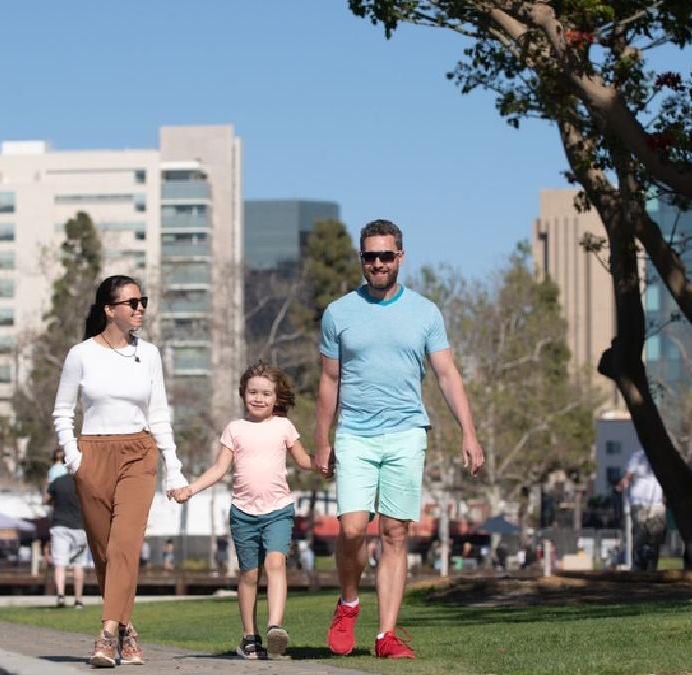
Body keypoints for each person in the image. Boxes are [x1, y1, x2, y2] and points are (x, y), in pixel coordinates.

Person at [313, 219, 484, 660]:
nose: (378, 263)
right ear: (361, 260)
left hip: (407, 432)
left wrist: (469, 431)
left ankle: (385, 635)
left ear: (400, 258)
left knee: (394, 532)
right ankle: (349, 602)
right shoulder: (339, 312)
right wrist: (321, 440)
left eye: (386, 256)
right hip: (355, 433)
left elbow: (446, 373)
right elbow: (329, 381)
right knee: (351, 528)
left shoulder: (425, 312)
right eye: (370, 256)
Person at [53, 274, 190, 667]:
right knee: (103, 553)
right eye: (131, 302)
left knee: (124, 544)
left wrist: (173, 469)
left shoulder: (149, 354)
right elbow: (63, 411)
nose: (140, 308)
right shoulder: (80, 354)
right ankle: (128, 629)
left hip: (137, 452)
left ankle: (107, 633)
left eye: (141, 300)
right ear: (108, 310)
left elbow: (159, 414)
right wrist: (75, 457)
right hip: (92, 454)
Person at [169, 361, 313, 660]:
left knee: (276, 564)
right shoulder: (235, 429)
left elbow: (303, 461)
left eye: (266, 393)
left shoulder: (284, 426)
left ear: (277, 398)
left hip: (278, 510)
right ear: (243, 394)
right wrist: (189, 489)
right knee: (249, 575)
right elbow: (219, 469)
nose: (258, 398)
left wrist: (326, 463)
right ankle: (250, 637)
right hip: (243, 513)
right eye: (252, 392)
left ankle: (275, 628)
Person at [616, 449, 666, 571]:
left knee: (656, 537)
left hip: (656, 503)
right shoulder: (637, 456)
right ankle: (638, 566)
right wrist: (622, 484)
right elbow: (628, 475)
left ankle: (652, 567)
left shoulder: (662, 456)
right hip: (639, 502)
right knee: (640, 534)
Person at [46, 465, 88, 609]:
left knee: (60, 563)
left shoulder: (57, 482)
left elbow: (46, 499)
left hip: (60, 526)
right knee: (78, 564)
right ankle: (78, 600)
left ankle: (61, 596)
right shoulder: (85, 482)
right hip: (80, 527)